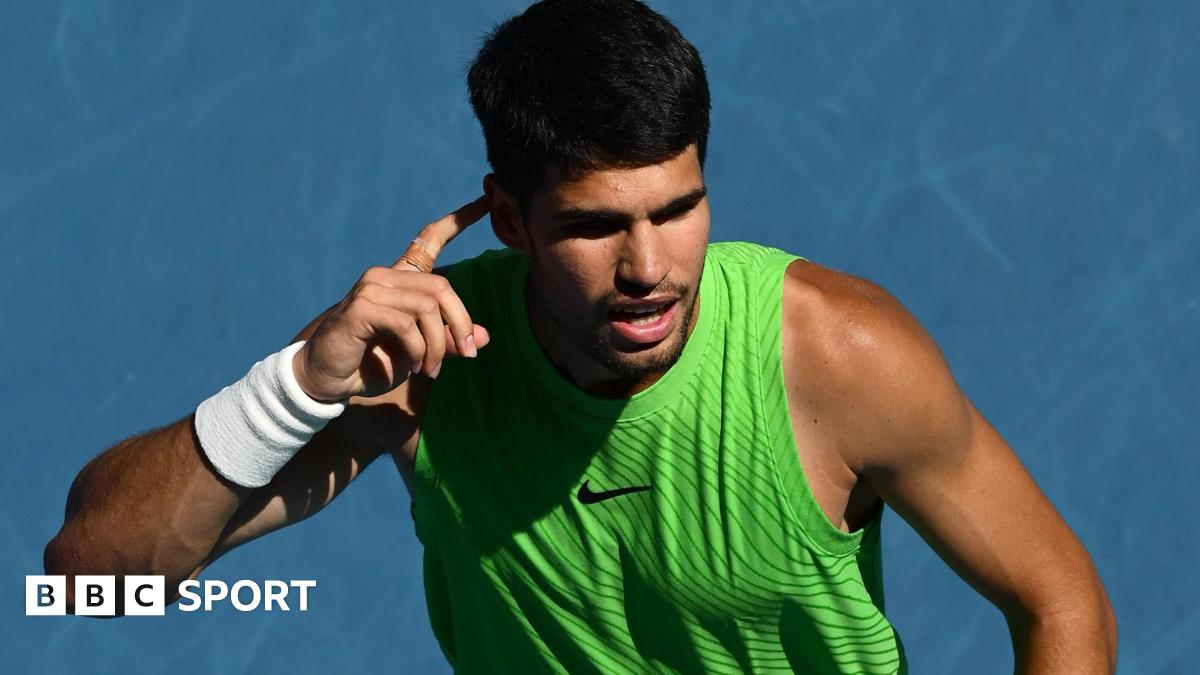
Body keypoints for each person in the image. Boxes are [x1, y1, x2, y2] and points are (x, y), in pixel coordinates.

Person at [45, 0, 1116, 672]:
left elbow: (1055, 596)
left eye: (678, 209)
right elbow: (94, 581)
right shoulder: (414, 369)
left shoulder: (839, 356)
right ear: (509, 220)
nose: (650, 269)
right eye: (598, 226)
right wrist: (294, 389)